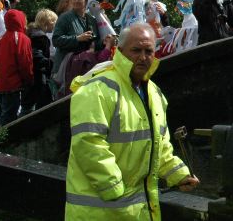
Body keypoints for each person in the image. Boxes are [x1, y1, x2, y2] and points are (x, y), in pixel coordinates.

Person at [65, 24, 199, 219]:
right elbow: (89, 144)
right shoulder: (97, 89)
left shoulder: (153, 92)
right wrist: (114, 188)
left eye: (148, 51)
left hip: (135, 210)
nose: (143, 57)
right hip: (100, 212)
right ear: (119, 51)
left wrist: (177, 174)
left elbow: (158, 144)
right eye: (136, 50)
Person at [0, 9, 33, 125]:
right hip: (13, 85)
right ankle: (5, 143)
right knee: (10, 123)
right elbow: (25, 63)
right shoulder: (22, 38)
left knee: (3, 117)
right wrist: (29, 80)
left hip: (0, 85)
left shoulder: (0, 39)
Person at [22, 10, 58, 113]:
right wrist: (52, 63)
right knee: (38, 108)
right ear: (48, 22)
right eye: (54, 21)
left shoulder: (32, 32)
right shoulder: (40, 37)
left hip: (30, 77)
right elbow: (36, 57)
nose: (55, 25)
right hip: (38, 77)